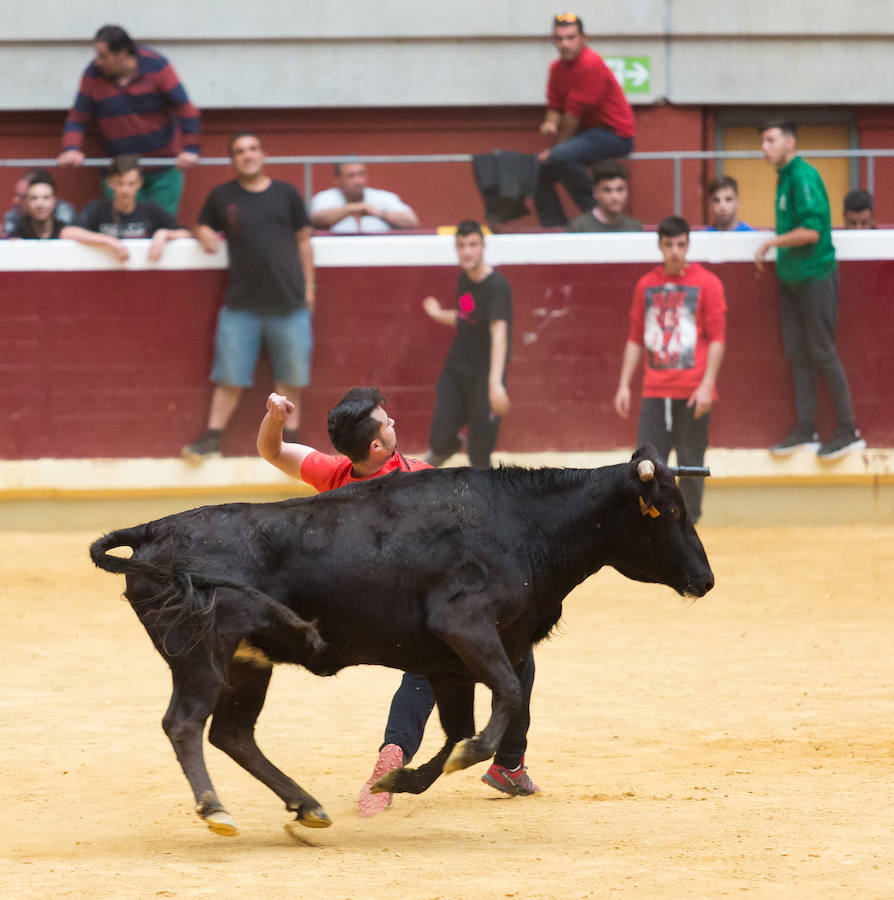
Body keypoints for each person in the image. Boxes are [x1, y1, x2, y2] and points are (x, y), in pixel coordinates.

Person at [256, 387, 539, 818]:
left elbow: (272, 452)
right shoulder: (417, 483)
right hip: (413, 609)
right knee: (509, 654)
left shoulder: (335, 474)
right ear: (377, 446)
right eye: (387, 424)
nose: (394, 425)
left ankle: (400, 750)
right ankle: (507, 765)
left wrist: (275, 418)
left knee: (427, 671)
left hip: (355, 613)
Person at [182, 131, 315, 460]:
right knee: (229, 378)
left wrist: (310, 287)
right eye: (240, 151)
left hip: (289, 302)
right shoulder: (221, 196)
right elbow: (200, 225)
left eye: (253, 148)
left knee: (291, 379)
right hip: (241, 305)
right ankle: (213, 439)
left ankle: (292, 444)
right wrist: (202, 234)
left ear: (263, 154)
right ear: (233, 160)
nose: (248, 155)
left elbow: (303, 241)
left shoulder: (286, 194)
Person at [755, 119, 865, 460]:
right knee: (798, 353)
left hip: (815, 277)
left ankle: (848, 430)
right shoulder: (785, 177)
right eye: (763, 141)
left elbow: (812, 231)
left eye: (770, 140)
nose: (764, 147)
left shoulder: (802, 176)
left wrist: (773, 242)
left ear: (790, 143)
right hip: (793, 280)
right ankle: (806, 428)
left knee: (822, 352)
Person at [614, 215, 726, 524]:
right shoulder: (646, 285)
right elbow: (636, 337)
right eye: (669, 245)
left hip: (692, 390)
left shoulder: (708, 283)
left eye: (680, 244)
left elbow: (717, 339)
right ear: (660, 246)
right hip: (655, 391)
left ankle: (689, 528)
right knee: (645, 465)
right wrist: (624, 383)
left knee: (690, 463)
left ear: (687, 244)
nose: (675, 251)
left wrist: (707, 385)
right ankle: (651, 526)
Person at [57, 24, 200, 217]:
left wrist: (191, 150)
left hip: (163, 170)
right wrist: (71, 148)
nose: (97, 62)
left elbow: (185, 109)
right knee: (126, 229)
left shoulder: (156, 66)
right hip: (119, 170)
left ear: (123, 53)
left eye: (103, 56)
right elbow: (77, 117)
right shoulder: (93, 74)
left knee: (162, 228)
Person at [421, 219, 511, 469]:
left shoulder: (497, 286)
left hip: (484, 378)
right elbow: (467, 317)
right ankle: (446, 448)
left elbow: (499, 334)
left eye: (472, 245)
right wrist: (438, 314)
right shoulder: (464, 278)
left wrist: (495, 382)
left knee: (479, 457)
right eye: (461, 246)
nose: (467, 251)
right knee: (439, 440)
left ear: (482, 247)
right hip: (456, 371)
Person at [535, 12, 635, 227]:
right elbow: (555, 106)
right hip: (588, 136)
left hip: (615, 135)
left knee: (558, 158)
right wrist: (550, 123)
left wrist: (554, 151)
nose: (565, 44)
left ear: (583, 38)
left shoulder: (590, 63)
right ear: (553, 40)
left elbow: (572, 116)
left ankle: (596, 218)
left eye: (571, 37)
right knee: (539, 169)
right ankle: (555, 226)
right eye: (560, 38)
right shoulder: (556, 68)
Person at [60, 156, 190, 262]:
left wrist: (164, 234)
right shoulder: (97, 208)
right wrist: (108, 241)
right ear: (110, 183)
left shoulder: (150, 209)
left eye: (130, 184)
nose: (125, 190)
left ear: (139, 184)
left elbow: (186, 234)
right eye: (120, 183)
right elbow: (67, 233)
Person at [309, 162, 419, 233]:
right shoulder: (325, 198)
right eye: (351, 176)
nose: (358, 181)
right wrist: (350, 209)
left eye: (361, 174)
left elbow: (411, 221)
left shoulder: (382, 197)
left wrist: (379, 213)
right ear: (337, 180)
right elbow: (315, 220)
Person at [565, 161, 643, 232]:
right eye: (607, 190)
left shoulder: (635, 227)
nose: (614, 197)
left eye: (619, 190)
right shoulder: (578, 228)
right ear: (596, 193)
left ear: (627, 192)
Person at [3, 170, 75, 237]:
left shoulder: (64, 231)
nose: (40, 204)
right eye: (34, 198)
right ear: (27, 202)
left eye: (46, 197)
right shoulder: (17, 235)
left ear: (54, 200)